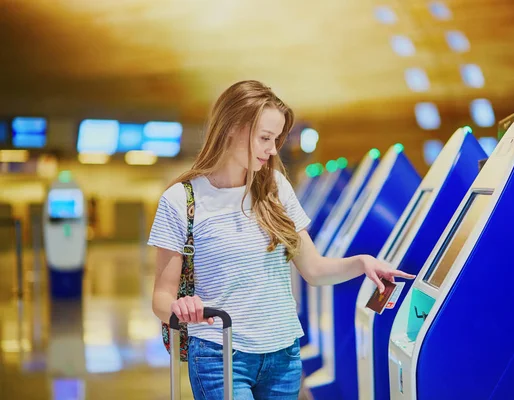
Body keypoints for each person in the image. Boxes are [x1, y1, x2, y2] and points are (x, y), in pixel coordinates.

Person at [149, 80, 415, 400]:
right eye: (265, 138)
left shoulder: (275, 188)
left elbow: (314, 269)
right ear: (232, 128)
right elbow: (161, 300)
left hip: (283, 357)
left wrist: (362, 263)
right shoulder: (180, 200)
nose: (273, 150)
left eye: (275, 139)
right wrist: (182, 310)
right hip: (219, 354)